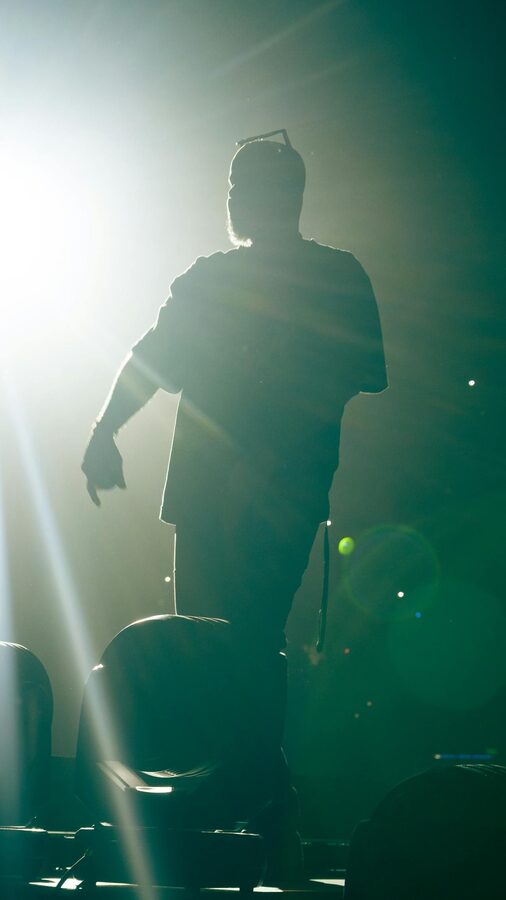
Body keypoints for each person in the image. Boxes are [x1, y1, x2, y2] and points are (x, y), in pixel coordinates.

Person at [81, 131, 387, 880]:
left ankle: (223, 799)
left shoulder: (213, 279)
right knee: (251, 644)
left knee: (211, 645)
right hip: (280, 496)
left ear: (247, 200)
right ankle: (250, 798)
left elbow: (153, 358)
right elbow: (365, 371)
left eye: (235, 189)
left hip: (214, 492)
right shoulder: (337, 274)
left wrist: (106, 429)